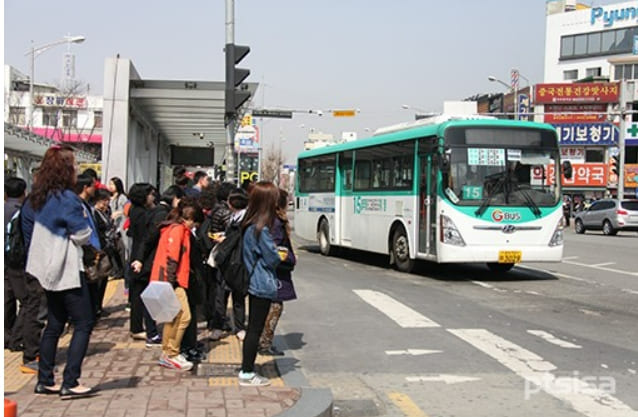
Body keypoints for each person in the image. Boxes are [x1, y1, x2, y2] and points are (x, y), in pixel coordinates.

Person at [23, 145, 97, 398]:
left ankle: (45, 379)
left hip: (44, 268)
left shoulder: (39, 195)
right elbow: (82, 235)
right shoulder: (68, 199)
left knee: (54, 324)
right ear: (66, 170)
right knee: (84, 323)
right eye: (73, 165)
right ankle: (71, 381)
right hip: (65, 269)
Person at [150, 197, 203, 371]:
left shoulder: (174, 228)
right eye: (194, 223)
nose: (194, 227)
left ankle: (168, 352)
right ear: (188, 219)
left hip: (170, 279)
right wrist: (171, 282)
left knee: (172, 317)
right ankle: (171, 353)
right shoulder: (178, 231)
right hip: (172, 280)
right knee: (183, 316)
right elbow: (172, 257)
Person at [239, 181, 282, 387]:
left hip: (253, 279)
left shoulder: (249, 224)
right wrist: (277, 253)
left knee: (253, 329)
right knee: (255, 329)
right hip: (261, 281)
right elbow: (272, 258)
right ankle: (247, 372)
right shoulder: (260, 229)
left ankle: (247, 370)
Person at [5, 177, 46, 373]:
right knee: (30, 304)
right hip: (26, 262)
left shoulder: (18, 208)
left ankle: (10, 337)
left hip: (12, 260)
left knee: (11, 300)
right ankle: (21, 344)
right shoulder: (27, 208)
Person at [259, 189, 297, 356]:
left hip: (275, 271)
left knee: (273, 306)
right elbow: (273, 248)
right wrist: (285, 257)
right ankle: (264, 343)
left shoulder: (271, 220)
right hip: (275, 272)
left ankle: (264, 342)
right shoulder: (275, 223)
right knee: (275, 306)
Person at [127, 183, 161, 345]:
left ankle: (136, 327)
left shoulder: (134, 210)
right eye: (150, 194)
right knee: (143, 292)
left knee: (137, 294)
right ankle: (145, 329)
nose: (152, 197)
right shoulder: (143, 214)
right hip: (143, 257)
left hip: (137, 254)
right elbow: (148, 236)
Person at [108, 177, 128, 279]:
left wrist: (118, 213)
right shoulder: (110, 198)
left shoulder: (122, 198)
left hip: (120, 228)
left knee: (121, 250)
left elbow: (125, 210)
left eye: (112, 184)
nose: (110, 186)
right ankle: (117, 270)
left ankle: (124, 271)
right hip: (113, 228)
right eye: (110, 184)